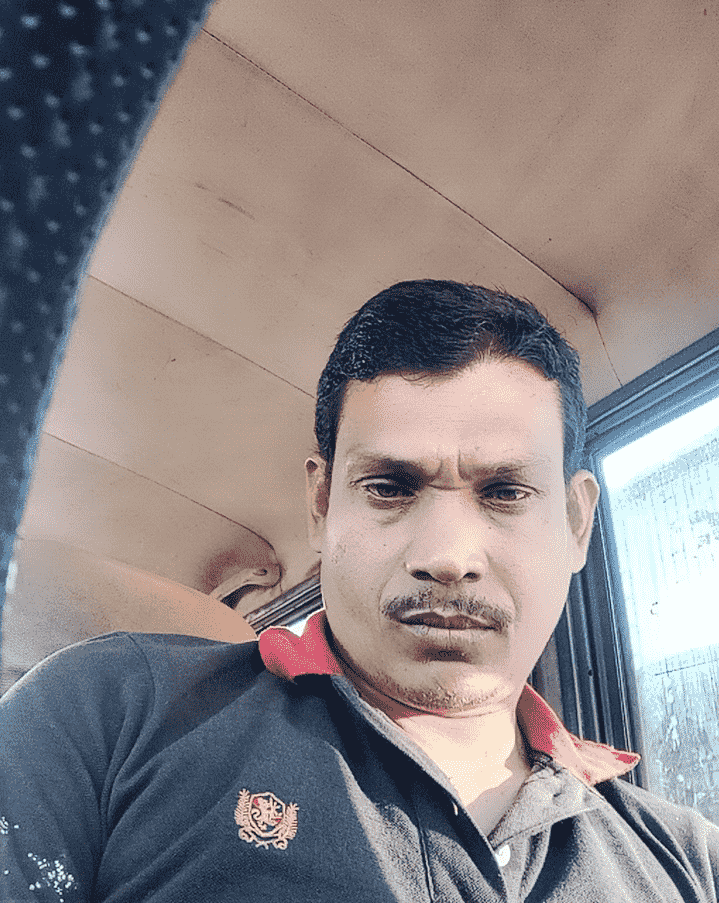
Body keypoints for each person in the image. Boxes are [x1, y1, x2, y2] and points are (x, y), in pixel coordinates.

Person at [1, 279, 717, 902]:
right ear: (321, 507)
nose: (446, 558)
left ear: (575, 523)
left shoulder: (689, 861)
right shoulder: (108, 715)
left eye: (504, 492)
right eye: (389, 487)